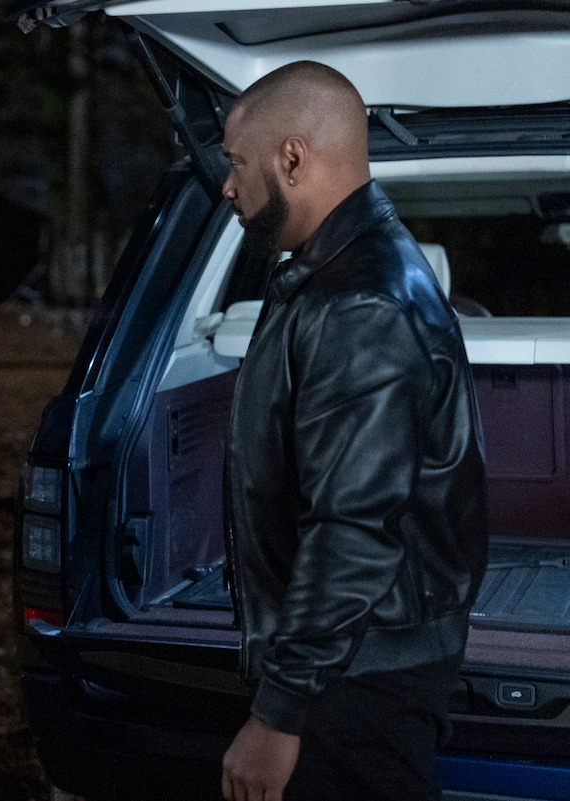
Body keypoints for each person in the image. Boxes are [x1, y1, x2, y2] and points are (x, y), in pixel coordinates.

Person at [219, 61, 488, 801]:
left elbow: (354, 527)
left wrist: (278, 712)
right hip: (357, 660)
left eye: (236, 163)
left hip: (354, 677)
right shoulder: (339, 270)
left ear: (292, 159)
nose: (227, 187)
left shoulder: (360, 302)